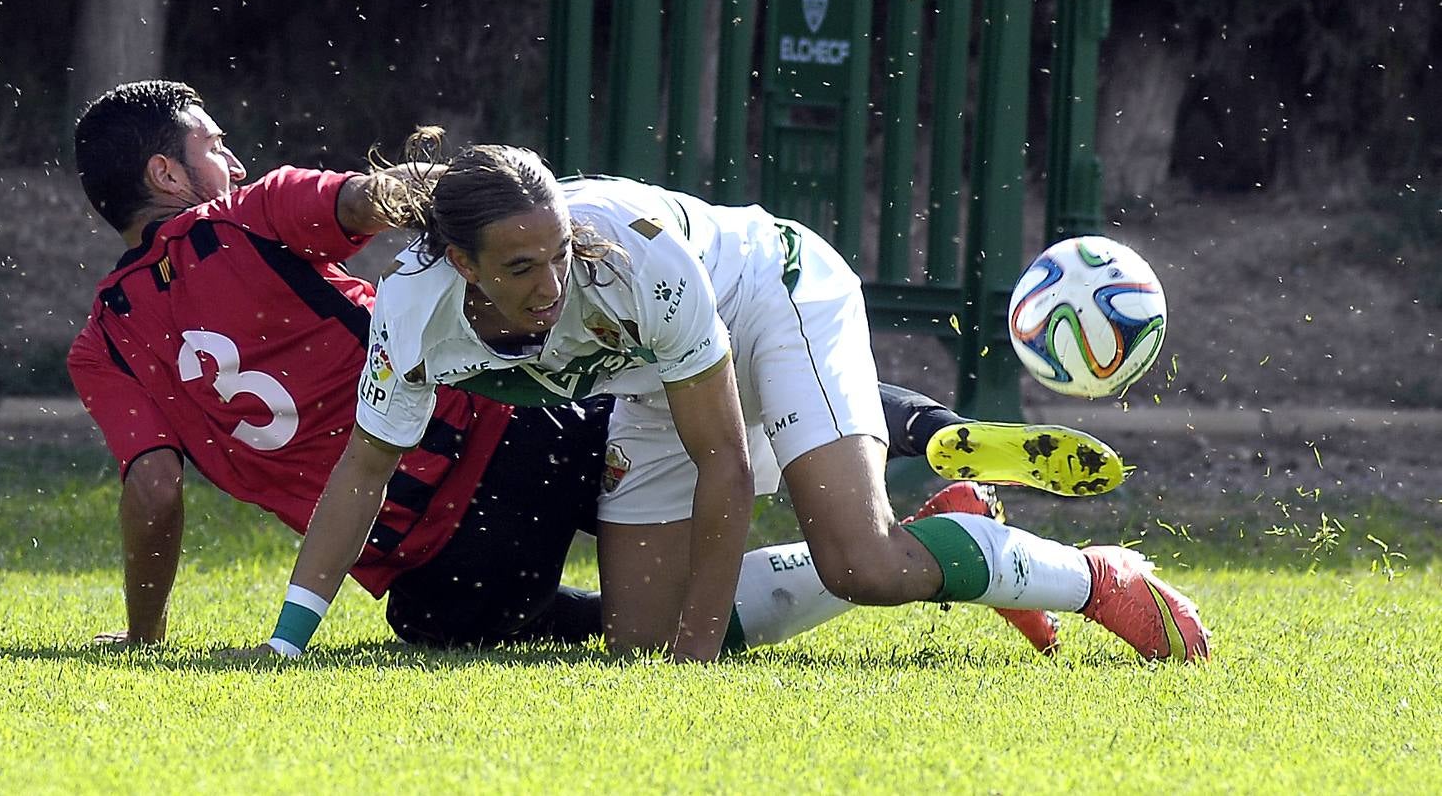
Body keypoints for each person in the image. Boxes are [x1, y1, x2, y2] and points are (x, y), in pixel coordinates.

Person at [67, 80, 1068, 657]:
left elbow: (155, 488)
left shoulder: (100, 342)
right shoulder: (251, 213)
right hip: (504, 425)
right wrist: (473, 205)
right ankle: (913, 435)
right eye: (213, 145)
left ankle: (872, 496)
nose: (233, 162)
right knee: (656, 407)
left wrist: (147, 635)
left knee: (500, 611)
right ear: (166, 173)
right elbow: (384, 197)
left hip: (428, 558)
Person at [263, 132, 1210, 663]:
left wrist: (698, 660)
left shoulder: (635, 256)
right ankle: (957, 536)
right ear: (460, 263)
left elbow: (722, 457)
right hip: (651, 372)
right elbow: (365, 468)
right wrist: (287, 644)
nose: (551, 280)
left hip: (769, 293)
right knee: (636, 637)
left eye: (558, 252)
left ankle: (1094, 579)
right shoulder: (410, 308)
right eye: (521, 267)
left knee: (861, 566)